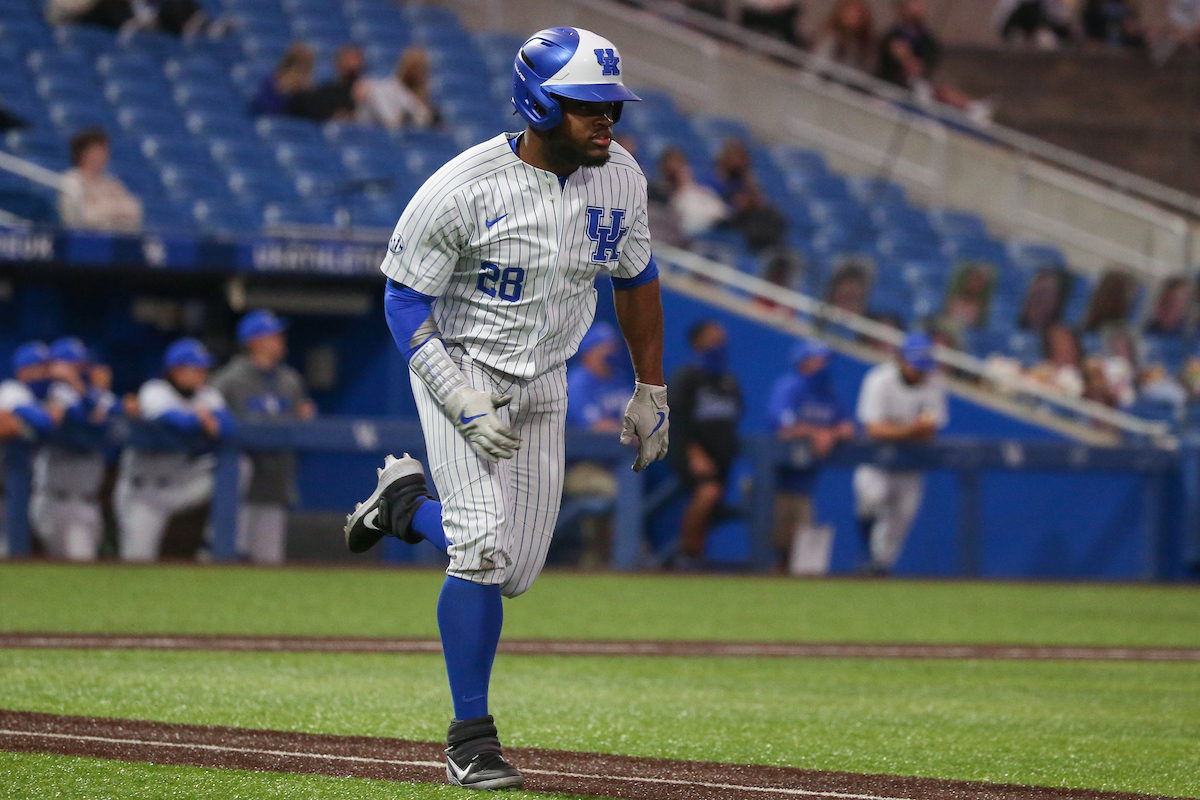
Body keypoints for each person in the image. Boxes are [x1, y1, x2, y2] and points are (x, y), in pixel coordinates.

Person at [340, 27, 667, 791]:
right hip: (462, 365)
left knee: (513, 572)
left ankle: (404, 506)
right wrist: (454, 394)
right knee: (481, 548)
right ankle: (470, 738)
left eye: (611, 105)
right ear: (537, 102)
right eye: (587, 106)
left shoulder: (621, 176)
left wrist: (651, 386)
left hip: (546, 377)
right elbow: (401, 297)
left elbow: (637, 278)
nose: (606, 121)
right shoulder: (463, 184)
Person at [210, 310, 316, 565]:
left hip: (275, 484)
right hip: (237, 486)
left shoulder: (290, 380)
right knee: (230, 560)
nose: (280, 339)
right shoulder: (228, 380)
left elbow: (304, 422)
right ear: (254, 341)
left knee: (269, 563)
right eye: (273, 335)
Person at [115, 338, 234, 562]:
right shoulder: (154, 390)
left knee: (239, 467)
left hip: (180, 484)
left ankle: (213, 541)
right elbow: (179, 423)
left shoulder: (207, 394)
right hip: (143, 492)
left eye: (204, 368)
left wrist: (206, 420)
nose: (203, 373)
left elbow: (228, 428)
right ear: (177, 371)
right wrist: (203, 420)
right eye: (196, 368)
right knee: (137, 564)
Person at [854, 332, 948, 575]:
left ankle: (879, 567)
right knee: (871, 500)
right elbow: (874, 428)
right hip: (876, 460)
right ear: (900, 359)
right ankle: (869, 556)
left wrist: (901, 430)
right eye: (914, 365)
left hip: (911, 461)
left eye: (923, 367)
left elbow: (930, 429)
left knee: (902, 517)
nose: (919, 372)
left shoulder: (934, 382)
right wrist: (909, 430)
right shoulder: (879, 379)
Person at [766, 339, 855, 573]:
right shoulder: (790, 386)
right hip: (775, 483)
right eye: (819, 359)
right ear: (804, 362)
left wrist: (830, 434)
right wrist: (818, 433)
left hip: (805, 485)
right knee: (778, 549)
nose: (825, 365)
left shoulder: (828, 393)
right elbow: (784, 428)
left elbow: (847, 428)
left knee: (799, 554)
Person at [29, 337, 118, 562]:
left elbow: (108, 419)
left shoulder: (92, 393)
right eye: (72, 364)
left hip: (88, 501)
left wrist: (88, 390)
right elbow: (87, 421)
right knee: (77, 564)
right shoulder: (51, 391)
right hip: (55, 499)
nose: (80, 369)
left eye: (81, 364)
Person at [668, 320, 742, 568]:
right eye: (713, 338)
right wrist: (694, 454)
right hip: (692, 456)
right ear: (697, 342)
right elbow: (676, 419)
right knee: (707, 494)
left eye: (722, 338)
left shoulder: (727, 380)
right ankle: (686, 553)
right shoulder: (685, 377)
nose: (719, 344)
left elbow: (735, 415)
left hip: (722, 458)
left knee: (714, 502)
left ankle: (696, 556)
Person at [562, 322, 630, 566]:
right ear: (590, 351)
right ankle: (615, 558)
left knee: (622, 487)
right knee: (615, 491)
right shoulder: (578, 381)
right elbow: (595, 426)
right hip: (577, 467)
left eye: (613, 347)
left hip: (619, 466)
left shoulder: (619, 381)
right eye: (605, 347)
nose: (610, 352)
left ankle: (600, 560)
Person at [876, 0, 991, 122]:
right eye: (912, 4)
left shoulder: (926, 38)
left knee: (941, 91)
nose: (918, 8)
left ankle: (972, 108)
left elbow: (929, 60)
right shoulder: (893, 35)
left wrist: (918, 66)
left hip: (918, 85)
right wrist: (905, 59)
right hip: (895, 87)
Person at [0, 343, 59, 555]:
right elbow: (44, 422)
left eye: (46, 366)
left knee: (15, 548)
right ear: (22, 370)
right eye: (39, 366)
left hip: (19, 484)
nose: (45, 372)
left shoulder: (42, 397)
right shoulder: (12, 389)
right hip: (7, 479)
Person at [58, 128, 144, 234]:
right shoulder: (71, 180)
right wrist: (114, 210)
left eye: (104, 150)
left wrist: (104, 210)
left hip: (113, 241)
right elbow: (78, 217)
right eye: (98, 150)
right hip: (84, 242)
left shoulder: (112, 183)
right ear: (83, 153)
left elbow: (134, 211)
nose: (104, 155)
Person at [648, 146, 728, 242]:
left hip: (704, 233)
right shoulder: (655, 192)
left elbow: (722, 213)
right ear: (664, 167)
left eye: (679, 164)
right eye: (671, 165)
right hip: (671, 239)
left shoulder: (701, 192)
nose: (675, 168)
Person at [355, 47, 442, 131]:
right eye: (414, 66)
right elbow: (390, 121)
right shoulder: (386, 89)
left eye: (422, 67)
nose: (417, 72)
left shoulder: (425, 102)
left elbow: (428, 121)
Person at [291, 44, 365, 122]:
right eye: (348, 59)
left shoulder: (367, 91)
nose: (352, 64)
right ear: (337, 62)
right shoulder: (326, 93)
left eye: (356, 60)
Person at [251, 43, 316, 118]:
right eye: (304, 62)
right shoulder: (271, 79)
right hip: (272, 115)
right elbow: (267, 105)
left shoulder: (308, 83)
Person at [813, 0, 877, 72]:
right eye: (851, 14)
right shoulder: (830, 38)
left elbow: (867, 69)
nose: (855, 19)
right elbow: (818, 65)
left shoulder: (866, 45)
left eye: (858, 16)